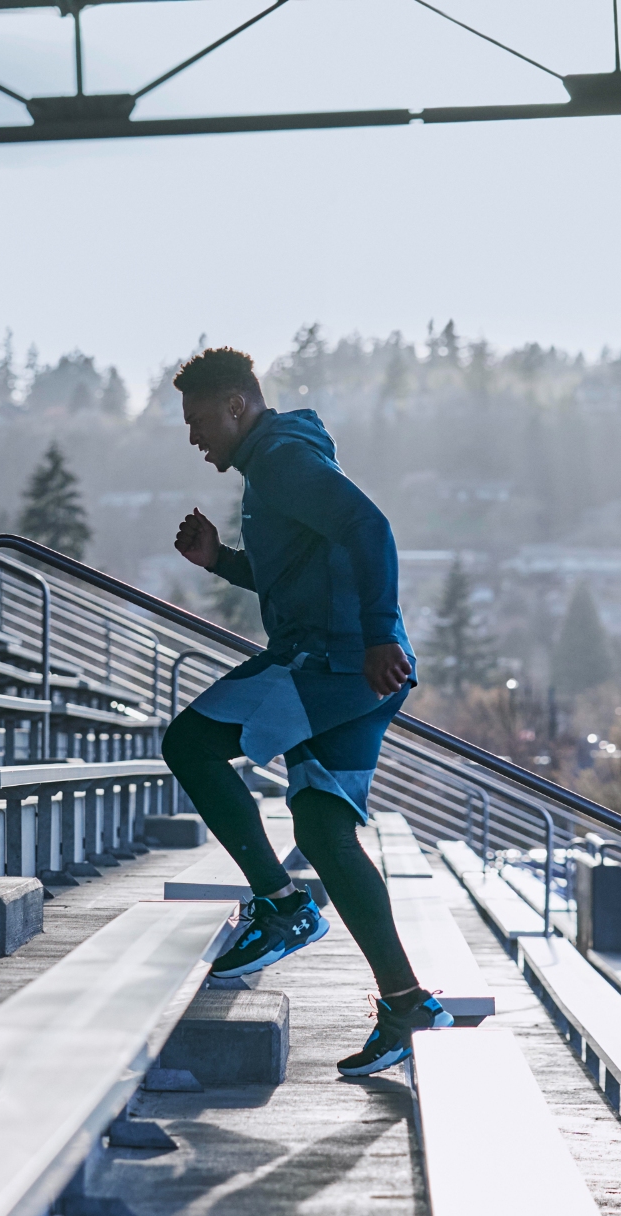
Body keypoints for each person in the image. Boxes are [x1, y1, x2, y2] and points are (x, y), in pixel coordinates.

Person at [161, 346, 448, 1077]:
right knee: (323, 828)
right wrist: (221, 560)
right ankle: (408, 1004)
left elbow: (369, 528)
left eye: (200, 423)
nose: (195, 440)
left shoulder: (282, 460)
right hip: (358, 669)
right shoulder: (278, 464)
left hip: (334, 661)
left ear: (237, 405)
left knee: (190, 743)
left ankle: (282, 905)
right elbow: (300, 569)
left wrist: (380, 630)